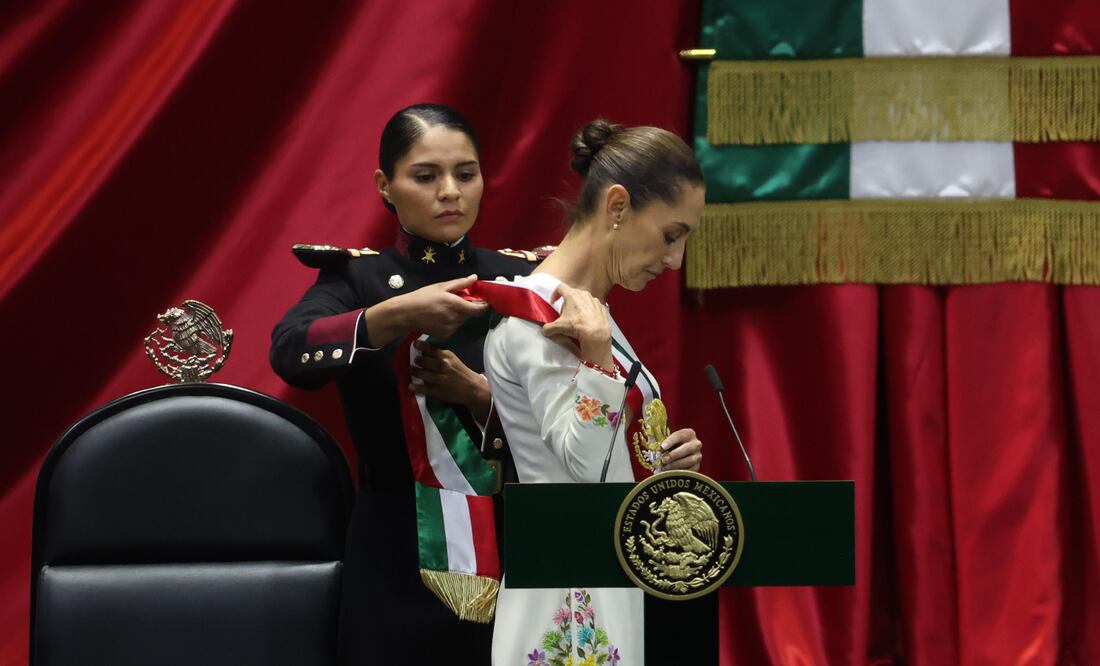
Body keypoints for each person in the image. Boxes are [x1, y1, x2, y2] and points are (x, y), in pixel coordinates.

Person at [270, 103, 536, 664]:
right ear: (384, 186)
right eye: (425, 175)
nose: (450, 192)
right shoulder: (357, 277)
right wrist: (396, 313)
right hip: (397, 539)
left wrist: (486, 396)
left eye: (466, 174)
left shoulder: (524, 278)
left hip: (519, 537)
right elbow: (290, 351)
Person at [483, 119, 706, 665]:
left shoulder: (589, 312)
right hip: (563, 589)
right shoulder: (531, 319)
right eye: (671, 235)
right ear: (618, 206)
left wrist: (666, 461)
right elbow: (584, 465)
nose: (675, 260)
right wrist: (601, 361)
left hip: (606, 569)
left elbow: (612, 457)